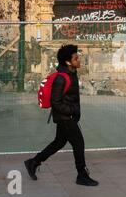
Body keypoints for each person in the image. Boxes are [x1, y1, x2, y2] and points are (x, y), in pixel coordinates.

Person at [24, 44, 98, 186]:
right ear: (68, 62)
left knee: (59, 142)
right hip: (65, 118)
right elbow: (56, 102)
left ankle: (33, 162)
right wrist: (72, 111)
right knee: (78, 143)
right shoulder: (61, 78)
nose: (79, 60)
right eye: (76, 58)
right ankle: (81, 175)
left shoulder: (72, 73)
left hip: (67, 117)